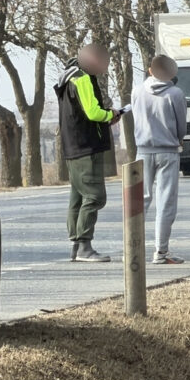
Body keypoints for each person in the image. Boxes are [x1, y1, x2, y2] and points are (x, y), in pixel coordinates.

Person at [55, 43, 122, 262]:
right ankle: (84, 246)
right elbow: (92, 112)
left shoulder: (69, 76)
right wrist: (110, 115)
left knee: (78, 196)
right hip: (86, 146)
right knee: (95, 196)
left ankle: (76, 246)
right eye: (104, 62)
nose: (106, 67)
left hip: (73, 146)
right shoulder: (82, 79)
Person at [132, 55, 187, 265]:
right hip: (168, 151)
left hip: (143, 150)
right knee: (166, 201)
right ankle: (161, 251)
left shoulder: (137, 91)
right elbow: (181, 125)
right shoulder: (176, 93)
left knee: (140, 200)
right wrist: (178, 139)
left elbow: (136, 118)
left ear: (150, 70)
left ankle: (133, 248)